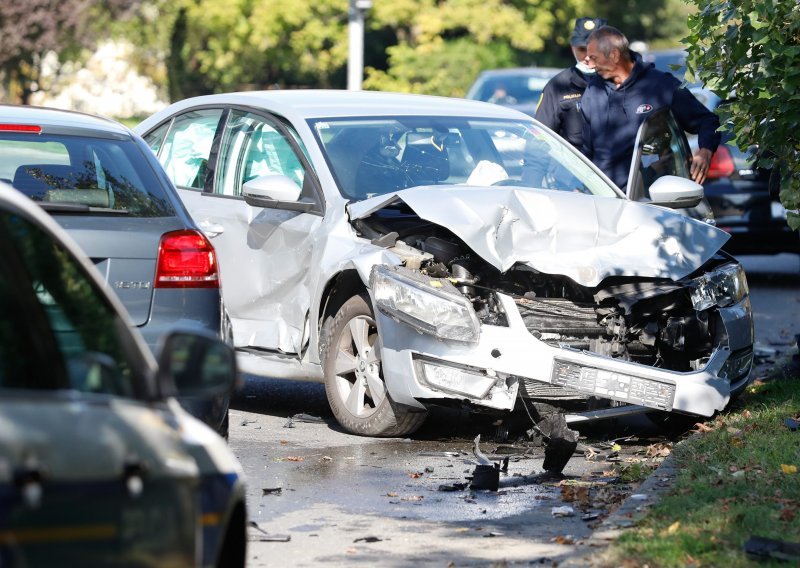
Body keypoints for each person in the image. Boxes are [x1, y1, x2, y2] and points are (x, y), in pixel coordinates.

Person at [579, 25, 720, 190]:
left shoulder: (661, 86)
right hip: (602, 197)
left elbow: (708, 121)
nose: (589, 65)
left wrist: (705, 152)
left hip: (651, 198)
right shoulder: (593, 90)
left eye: (593, 58)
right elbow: (586, 152)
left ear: (614, 55)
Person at [535, 17, 607, 148]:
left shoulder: (623, 82)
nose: (587, 56)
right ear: (572, 47)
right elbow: (540, 139)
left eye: (594, 49)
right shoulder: (557, 86)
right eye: (581, 49)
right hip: (573, 166)